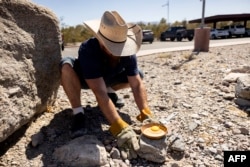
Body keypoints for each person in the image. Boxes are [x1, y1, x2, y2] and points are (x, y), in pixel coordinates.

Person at [60, 11, 155, 160]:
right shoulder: (88, 49)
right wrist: (118, 126)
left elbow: (136, 85)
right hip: (86, 80)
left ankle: (112, 91)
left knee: (139, 75)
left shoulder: (128, 51)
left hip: (109, 78)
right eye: (113, 48)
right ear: (101, 42)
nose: (119, 52)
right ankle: (78, 113)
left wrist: (145, 112)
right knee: (66, 66)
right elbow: (99, 93)